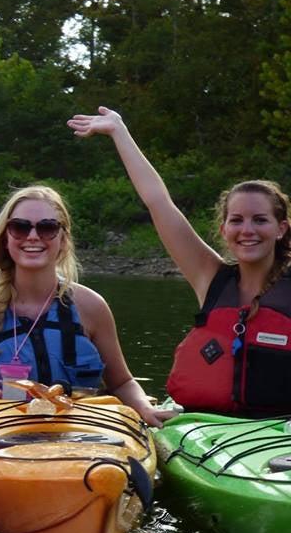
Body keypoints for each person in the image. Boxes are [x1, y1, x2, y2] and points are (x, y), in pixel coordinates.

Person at [68, 107, 291, 414]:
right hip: (207, 432)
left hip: (276, 436)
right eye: (237, 220)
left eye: (260, 220)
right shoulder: (211, 279)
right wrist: (119, 131)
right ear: (224, 229)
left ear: (281, 228)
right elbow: (158, 202)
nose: (247, 230)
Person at [0, 185, 170, 426]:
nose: (33, 236)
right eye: (20, 226)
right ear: (6, 237)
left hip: (78, 435)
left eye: (47, 227)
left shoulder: (91, 306)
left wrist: (145, 407)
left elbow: (122, 382)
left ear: (63, 239)